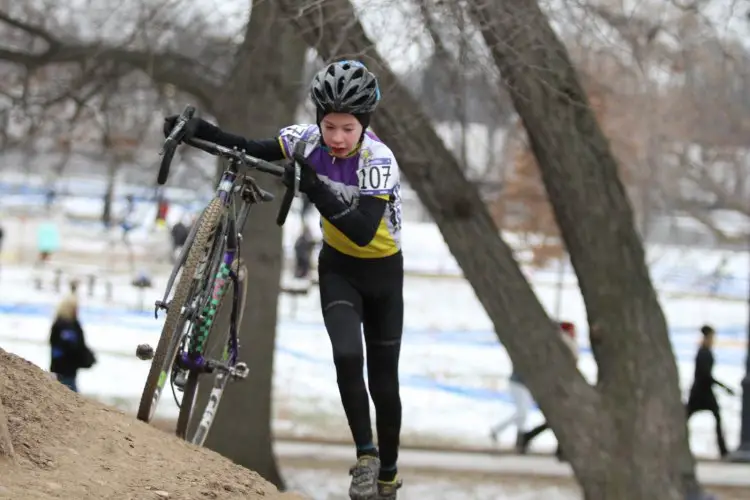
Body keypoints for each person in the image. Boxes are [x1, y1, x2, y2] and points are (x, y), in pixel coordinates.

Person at [163, 60, 404, 499]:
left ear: (363, 125)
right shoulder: (304, 141)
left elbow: (364, 229)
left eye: (348, 128)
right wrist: (196, 129)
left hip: (384, 273)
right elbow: (246, 146)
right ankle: (366, 458)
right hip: (339, 270)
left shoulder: (378, 160)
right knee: (348, 357)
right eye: (329, 125)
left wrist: (313, 185)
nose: (336, 137)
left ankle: (388, 473)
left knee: (383, 381)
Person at [517, 321, 578, 459]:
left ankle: (533, 438)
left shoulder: (557, 343)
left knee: (559, 420)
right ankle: (560, 449)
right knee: (562, 419)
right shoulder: (565, 344)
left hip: (559, 387)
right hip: (561, 387)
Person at [686, 325, 733, 458]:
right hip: (701, 392)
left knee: (716, 417)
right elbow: (705, 375)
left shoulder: (705, 351)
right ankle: (722, 450)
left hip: (704, 391)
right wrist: (725, 387)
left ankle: (723, 450)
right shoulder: (703, 353)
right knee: (688, 417)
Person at [49, 294, 96, 393]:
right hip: (62, 369)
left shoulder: (73, 324)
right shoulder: (63, 326)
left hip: (69, 369)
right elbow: (69, 346)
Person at [489, 364, 533, 451]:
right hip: (518, 383)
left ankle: (520, 440)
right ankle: (496, 430)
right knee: (522, 412)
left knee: (523, 414)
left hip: (524, 384)